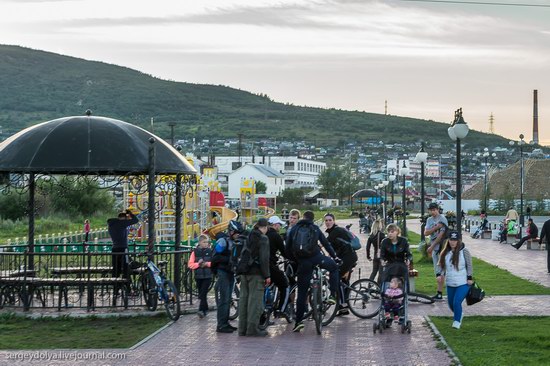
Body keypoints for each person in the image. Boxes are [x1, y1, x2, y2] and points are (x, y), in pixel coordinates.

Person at [285, 210, 339, 333]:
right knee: (334, 268)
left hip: (303, 263)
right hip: (317, 258)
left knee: (302, 292)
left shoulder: (294, 229)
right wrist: (334, 256)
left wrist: (296, 260)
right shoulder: (314, 228)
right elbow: (326, 244)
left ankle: (298, 322)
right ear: (313, 219)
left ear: (302, 218)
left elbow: (287, 248)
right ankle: (332, 295)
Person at [238, 218, 271, 337]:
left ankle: (242, 329)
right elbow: (264, 259)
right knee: (254, 302)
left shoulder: (248, 235)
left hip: (244, 272)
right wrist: (267, 275)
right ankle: (252, 329)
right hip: (256, 273)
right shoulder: (263, 238)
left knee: (244, 300)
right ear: (265, 227)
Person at [211, 220, 244, 333]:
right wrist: (229, 260)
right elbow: (215, 258)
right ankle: (221, 325)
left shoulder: (234, 242)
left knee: (228, 298)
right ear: (231, 232)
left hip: (230, 273)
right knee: (224, 300)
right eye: (237, 233)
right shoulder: (223, 242)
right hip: (223, 272)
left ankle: (225, 322)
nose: (238, 235)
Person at [324, 213, 358, 316]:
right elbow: (334, 250)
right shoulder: (333, 232)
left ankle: (342, 305)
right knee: (344, 281)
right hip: (345, 257)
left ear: (334, 220)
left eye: (330, 220)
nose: (328, 222)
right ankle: (343, 306)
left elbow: (324, 243)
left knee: (336, 277)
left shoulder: (336, 231)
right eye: (326, 220)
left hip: (348, 257)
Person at [438, 231, 473, 330]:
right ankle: (459, 314)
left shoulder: (464, 251)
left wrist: (469, 278)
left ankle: (456, 322)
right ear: (448, 240)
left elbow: (469, 265)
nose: (453, 242)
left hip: (463, 283)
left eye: (455, 240)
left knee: (457, 302)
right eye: (451, 240)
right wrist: (440, 274)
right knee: (451, 304)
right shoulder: (445, 252)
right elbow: (442, 266)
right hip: (450, 282)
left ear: (458, 241)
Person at [265, 215, 290, 317]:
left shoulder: (263, 234)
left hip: (260, 265)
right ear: (275, 225)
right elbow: (284, 252)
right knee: (285, 284)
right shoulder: (275, 236)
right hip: (270, 265)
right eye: (279, 225)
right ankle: (281, 309)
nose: (280, 227)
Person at [424, 202, 449, 300]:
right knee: (437, 271)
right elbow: (426, 233)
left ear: (438, 209)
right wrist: (436, 227)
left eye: (435, 210)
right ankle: (439, 293)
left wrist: (432, 246)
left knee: (442, 270)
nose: (433, 212)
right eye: (431, 210)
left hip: (442, 246)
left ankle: (441, 293)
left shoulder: (442, 219)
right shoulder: (429, 219)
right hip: (434, 246)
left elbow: (441, 235)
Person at [187, 234, 213, 318]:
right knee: (202, 294)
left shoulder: (210, 251)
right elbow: (190, 264)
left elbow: (214, 263)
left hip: (208, 276)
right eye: (204, 242)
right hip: (198, 276)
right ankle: (205, 309)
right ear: (199, 242)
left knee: (203, 293)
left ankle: (201, 310)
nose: (206, 243)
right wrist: (198, 264)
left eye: (207, 242)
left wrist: (207, 264)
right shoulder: (195, 252)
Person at [107, 209, 138, 278]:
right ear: (124, 218)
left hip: (114, 248)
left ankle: (115, 285)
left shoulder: (112, 224)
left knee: (116, 268)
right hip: (123, 248)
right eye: (126, 219)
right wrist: (130, 213)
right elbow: (136, 220)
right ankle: (126, 284)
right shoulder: (121, 223)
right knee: (125, 267)